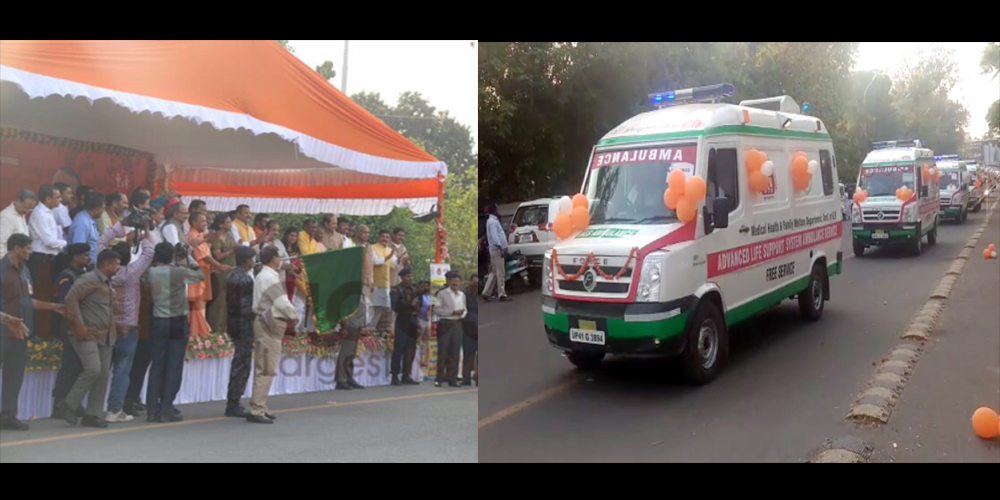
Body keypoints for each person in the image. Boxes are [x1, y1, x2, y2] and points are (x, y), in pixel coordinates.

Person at [1, 234, 66, 431]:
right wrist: (6, 319)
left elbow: (28, 302)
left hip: (21, 331)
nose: (31, 252)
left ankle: (8, 415)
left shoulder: (26, 271)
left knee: (15, 375)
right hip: (3, 329)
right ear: (15, 248)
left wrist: (53, 306)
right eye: (28, 248)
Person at [99, 223, 155, 423]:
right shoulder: (132, 273)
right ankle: (114, 409)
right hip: (129, 327)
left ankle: (94, 409)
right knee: (122, 371)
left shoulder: (104, 271)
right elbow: (149, 253)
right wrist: (142, 235)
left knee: (102, 369)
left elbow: (100, 242)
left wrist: (119, 227)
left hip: (107, 326)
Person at [144, 242, 204, 422]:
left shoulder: (152, 272)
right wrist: (188, 257)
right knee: (174, 365)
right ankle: (166, 407)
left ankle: (152, 408)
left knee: (157, 365)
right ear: (171, 256)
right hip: (176, 320)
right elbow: (199, 275)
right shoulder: (178, 272)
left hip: (158, 320)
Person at [62, 249, 121, 428]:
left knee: (103, 374)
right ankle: (68, 404)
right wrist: (78, 326)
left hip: (106, 336)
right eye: (117, 263)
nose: (119, 267)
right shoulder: (88, 279)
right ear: (107, 263)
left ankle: (93, 414)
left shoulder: (108, 282)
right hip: (87, 334)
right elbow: (70, 299)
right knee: (93, 370)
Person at [248, 247, 298, 424]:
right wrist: (293, 315)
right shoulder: (269, 276)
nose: (281, 260)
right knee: (267, 367)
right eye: (279, 257)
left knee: (264, 365)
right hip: (270, 320)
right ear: (273, 259)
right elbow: (282, 302)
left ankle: (260, 405)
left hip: (264, 319)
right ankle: (258, 409)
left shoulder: (264, 274)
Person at [49, 243, 91, 420]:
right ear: (75, 257)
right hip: (70, 325)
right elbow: (68, 302)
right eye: (85, 255)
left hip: (82, 323)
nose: (89, 258)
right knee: (69, 365)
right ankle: (60, 403)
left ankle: (73, 403)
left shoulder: (83, 274)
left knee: (79, 365)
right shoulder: (66, 276)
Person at [28, 184, 67, 338]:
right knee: (42, 296)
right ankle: (39, 334)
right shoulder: (40, 214)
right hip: (40, 259)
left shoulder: (49, 212)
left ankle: (44, 332)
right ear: (48, 199)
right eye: (57, 197)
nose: (61, 199)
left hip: (50, 259)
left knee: (48, 295)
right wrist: (66, 243)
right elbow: (49, 241)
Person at [224, 246, 257, 418]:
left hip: (234, 323)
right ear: (246, 260)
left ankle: (234, 400)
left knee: (241, 362)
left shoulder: (232, 276)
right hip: (243, 325)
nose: (254, 261)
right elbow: (245, 306)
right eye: (252, 258)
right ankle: (233, 401)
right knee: (242, 363)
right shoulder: (244, 279)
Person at [187, 212, 232, 337]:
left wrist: (213, 268)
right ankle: (197, 335)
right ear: (194, 223)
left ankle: (199, 334)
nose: (205, 224)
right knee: (198, 304)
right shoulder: (193, 236)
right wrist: (219, 265)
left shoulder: (201, 235)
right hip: (197, 274)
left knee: (202, 304)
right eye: (202, 221)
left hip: (204, 272)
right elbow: (203, 256)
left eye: (206, 221)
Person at [433, 271, 466, 388]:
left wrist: (461, 314)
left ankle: (452, 378)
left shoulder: (462, 295)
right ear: (448, 282)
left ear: (460, 283)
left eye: (457, 281)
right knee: (443, 351)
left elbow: (465, 309)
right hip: (445, 323)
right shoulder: (442, 294)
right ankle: (439, 378)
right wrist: (452, 312)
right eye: (453, 281)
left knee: (455, 352)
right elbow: (437, 309)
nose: (455, 283)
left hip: (457, 323)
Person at [390, 267, 420, 386]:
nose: (410, 278)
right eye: (408, 276)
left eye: (411, 276)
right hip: (402, 319)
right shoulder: (396, 289)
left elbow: (419, 305)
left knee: (410, 348)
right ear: (402, 277)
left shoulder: (414, 290)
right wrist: (410, 305)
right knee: (399, 348)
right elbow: (395, 306)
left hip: (412, 320)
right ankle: (395, 375)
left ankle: (406, 374)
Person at [208, 213, 237, 333]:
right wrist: (231, 251)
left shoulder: (229, 236)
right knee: (219, 301)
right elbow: (217, 256)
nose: (230, 224)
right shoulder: (217, 238)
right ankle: (215, 328)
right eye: (228, 222)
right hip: (220, 273)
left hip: (230, 270)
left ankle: (225, 328)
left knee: (228, 301)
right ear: (221, 225)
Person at [370, 229, 397, 334]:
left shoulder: (389, 250)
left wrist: (400, 259)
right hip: (374, 283)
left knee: (382, 307)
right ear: (378, 237)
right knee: (373, 307)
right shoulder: (372, 248)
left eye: (387, 237)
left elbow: (394, 265)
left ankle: (373, 328)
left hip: (386, 283)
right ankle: (367, 329)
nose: (385, 239)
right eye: (383, 236)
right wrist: (390, 256)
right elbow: (376, 262)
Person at [482, 204, 510, 302]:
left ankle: (486, 292)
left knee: (493, 272)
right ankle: (501, 294)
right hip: (497, 249)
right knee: (500, 272)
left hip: (494, 249)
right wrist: (500, 248)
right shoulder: (492, 222)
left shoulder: (492, 221)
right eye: (497, 208)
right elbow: (495, 237)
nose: (498, 210)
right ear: (494, 210)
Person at [68, 191, 105, 263]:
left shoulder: (89, 219)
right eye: (103, 208)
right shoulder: (82, 223)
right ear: (96, 209)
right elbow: (79, 250)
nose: (103, 211)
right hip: (85, 267)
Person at [0, 189, 37, 260]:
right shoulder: (7, 217)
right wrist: (4, 263)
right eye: (26, 207)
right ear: (18, 201)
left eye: (30, 209)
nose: (27, 211)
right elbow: (1, 242)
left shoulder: (21, 213)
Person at [462, 274, 479, 386]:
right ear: (470, 282)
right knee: (468, 355)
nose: (476, 285)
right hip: (467, 330)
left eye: (478, 283)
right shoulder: (464, 295)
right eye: (474, 282)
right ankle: (466, 378)